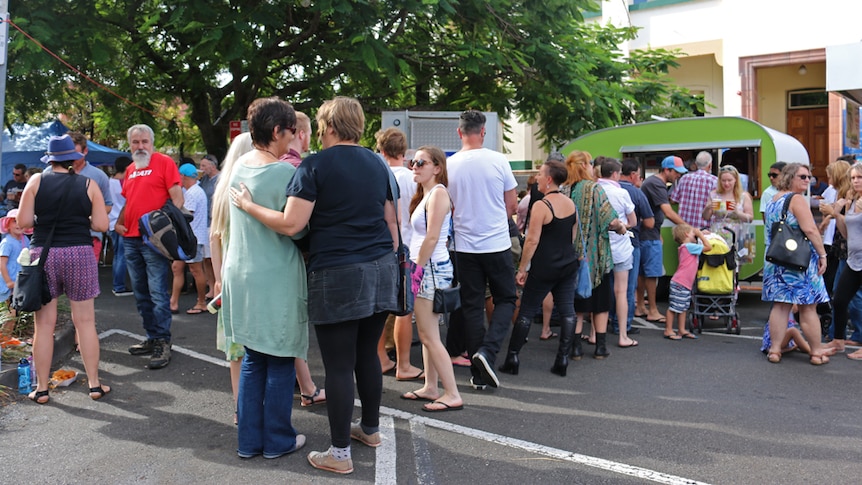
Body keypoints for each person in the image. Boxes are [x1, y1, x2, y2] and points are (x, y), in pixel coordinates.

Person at [231, 96, 398, 475]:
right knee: (367, 355)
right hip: (381, 268)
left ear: (331, 127)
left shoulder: (315, 166)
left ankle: (339, 455)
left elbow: (292, 224)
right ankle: (369, 429)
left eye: (321, 126)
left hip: (338, 272)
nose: (318, 133)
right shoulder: (378, 163)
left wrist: (249, 206)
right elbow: (392, 222)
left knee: (338, 366)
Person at [211, 98, 309, 459]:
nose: (292, 140)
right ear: (276, 131)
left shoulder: (237, 170)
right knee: (281, 357)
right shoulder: (284, 173)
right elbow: (297, 229)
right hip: (274, 274)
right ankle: (279, 439)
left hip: (240, 271)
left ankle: (249, 441)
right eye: (289, 132)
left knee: (253, 358)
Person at [17, 134, 110, 404]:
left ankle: (42, 389)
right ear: (74, 158)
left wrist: (42, 216)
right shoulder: (88, 184)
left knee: (43, 326)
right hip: (79, 253)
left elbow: (23, 222)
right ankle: (94, 385)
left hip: (44, 254)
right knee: (85, 322)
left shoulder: (36, 181)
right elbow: (102, 225)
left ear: (50, 159)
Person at [446, 110, 518, 390]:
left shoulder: (450, 165)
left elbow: (448, 206)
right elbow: (511, 205)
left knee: (472, 304)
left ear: (459, 132)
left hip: (464, 246)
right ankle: (487, 352)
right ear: (483, 132)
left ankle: (478, 373)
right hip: (497, 243)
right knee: (506, 299)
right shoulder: (498, 160)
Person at [499, 160, 579, 376]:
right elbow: (572, 236)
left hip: (545, 266)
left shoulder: (542, 205)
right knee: (567, 311)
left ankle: (513, 357)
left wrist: (522, 268)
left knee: (526, 310)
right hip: (567, 263)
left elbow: (532, 240)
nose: (538, 178)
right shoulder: (570, 203)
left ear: (550, 179)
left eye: (541, 174)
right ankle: (562, 359)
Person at [399, 145, 464, 410]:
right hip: (427, 268)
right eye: (413, 162)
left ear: (437, 167)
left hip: (430, 270)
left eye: (421, 162)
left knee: (428, 335)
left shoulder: (437, 194)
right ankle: (431, 386)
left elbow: (433, 237)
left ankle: (452, 393)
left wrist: (416, 270)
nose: (414, 166)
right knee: (428, 333)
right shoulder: (428, 193)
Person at [114, 124, 184, 370]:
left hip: (153, 241)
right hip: (131, 239)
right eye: (135, 142)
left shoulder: (164, 162)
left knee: (157, 292)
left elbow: (177, 197)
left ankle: (163, 341)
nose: (140, 146)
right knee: (141, 293)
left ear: (152, 143)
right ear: (130, 145)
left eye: (144, 141)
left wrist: (171, 230)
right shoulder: (131, 169)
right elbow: (129, 202)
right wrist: (119, 224)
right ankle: (152, 336)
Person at [762, 163, 830, 365]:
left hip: (777, 259)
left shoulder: (774, 199)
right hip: (800, 261)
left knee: (781, 306)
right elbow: (810, 230)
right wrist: (823, 254)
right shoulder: (797, 199)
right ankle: (817, 353)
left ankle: (775, 350)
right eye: (802, 176)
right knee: (808, 307)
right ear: (790, 177)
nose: (808, 180)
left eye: (809, 177)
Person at [564, 151, 626, 359]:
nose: (593, 167)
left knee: (576, 304)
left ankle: (575, 348)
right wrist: (621, 228)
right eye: (590, 163)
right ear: (583, 166)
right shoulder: (595, 189)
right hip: (596, 257)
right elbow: (610, 220)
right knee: (600, 304)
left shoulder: (566, 189)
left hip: (571, 256)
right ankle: (600, 347)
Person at [374, 127, 424, 380]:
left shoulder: (376, 174)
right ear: (404, 152)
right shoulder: (411, 177)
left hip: (381, 246)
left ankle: (380, 355)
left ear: (381, 150)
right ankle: (403, 362)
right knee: (404, 308)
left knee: (379, 308)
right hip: (410, 246)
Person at [636, 155, 687, 324]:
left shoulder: (652, 183)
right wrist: (689, 228)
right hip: (649, 236)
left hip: (648, 233)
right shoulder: (657, 184)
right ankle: (652, 310)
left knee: (643, 273)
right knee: (652, 273)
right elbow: (668, 211)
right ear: (667, 170)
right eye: (676, 172)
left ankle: (640, 307)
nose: (678, 175)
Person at [596, 157, 638, 348]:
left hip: (599, 248)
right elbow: (633, 221)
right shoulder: (621, 193)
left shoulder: (594, 191)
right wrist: (622, 225)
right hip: (620, 248)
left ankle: (594, 334)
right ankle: (622, 335)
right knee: (621, 291)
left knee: (597, 289)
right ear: (614, 174)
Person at [823, 162, 862, 360]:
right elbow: (846, 234)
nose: (856, 181)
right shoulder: (853, 201)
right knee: (839, 300)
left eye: (860, 177)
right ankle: (838, 339)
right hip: (854, 259)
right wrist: (837, 214)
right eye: (853, 177)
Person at [613, 158, 653, 334]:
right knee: (627, 288)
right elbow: (650, 222)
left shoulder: (607, 189)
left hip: (608, 242)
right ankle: (623, 325)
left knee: (609, 285)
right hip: (631, 242)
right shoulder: (636, 193)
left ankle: (605, 320)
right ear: (634, 174)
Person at [169, 164, 209, 315]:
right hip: (191, 237)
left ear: (183, 176)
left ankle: (201, 302)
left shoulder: (192, 193)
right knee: (177, 267)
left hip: (192, 238)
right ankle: (173, 301)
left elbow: (185, 215)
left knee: (195, 270)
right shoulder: (196, 190)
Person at [663, 223, 711, 340]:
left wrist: (699, 234)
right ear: (686, 234)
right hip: (680, 282)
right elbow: (708, 247)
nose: (695, 234)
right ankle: (668, 330)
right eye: (692, 233)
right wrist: (700, 235)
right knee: (674, 307)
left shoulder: (688, 247)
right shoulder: (689, 246)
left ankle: (681, 329)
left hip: (684, 284)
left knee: (683, 307)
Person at [670, 151, 717, 229]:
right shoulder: (714, 181)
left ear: (696, 164)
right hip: (705, 229)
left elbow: (673, 200)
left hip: (685, 229)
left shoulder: (684, 178)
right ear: (710, 165)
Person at [108, 156, 133, 296]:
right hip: (123, 222)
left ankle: (117, 284)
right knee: (122, 256)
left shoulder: (109, 182)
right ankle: (119, 286)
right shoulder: (125, 183)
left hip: (111, 222)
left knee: (117, 255)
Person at [197, 154, 220, 298]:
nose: (201, 168)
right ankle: (211, 287)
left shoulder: (221, 179)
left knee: (215, 258)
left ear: (213, 166)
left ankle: (219, 286)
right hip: (204, 223)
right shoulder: (204, 179)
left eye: (204, 166)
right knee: (206, 258)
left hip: (215, 222)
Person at [0, 209, 28, 310]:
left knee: (17, 307)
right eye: (15, 221)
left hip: (19, 280)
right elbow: (2, 264)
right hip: (8, 282)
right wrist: (8, 282)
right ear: (7, 225)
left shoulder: (25, 240)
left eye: (21, 221)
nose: (19, 224)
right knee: (9, 311)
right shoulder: (7, 242)